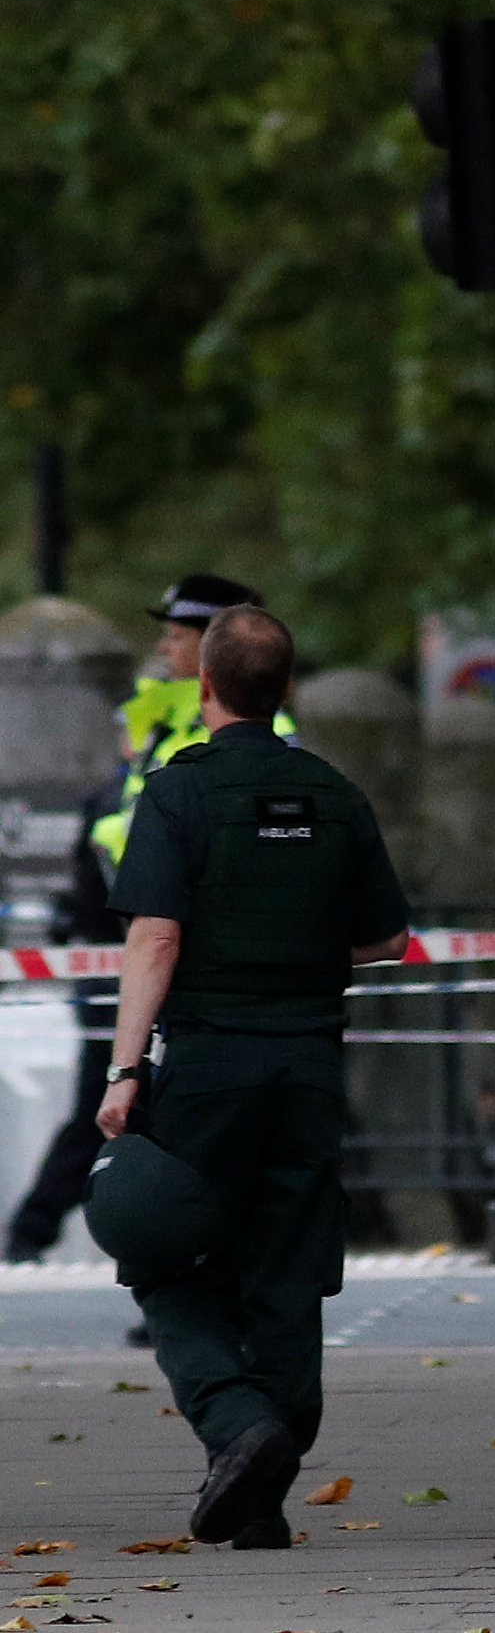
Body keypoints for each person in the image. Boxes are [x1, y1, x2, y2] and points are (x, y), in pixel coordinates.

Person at [94, 605, 411, 1548]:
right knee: (286, 1266)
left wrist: (121, 1069)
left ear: (206, 687)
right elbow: (388, 936)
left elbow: (155, 935)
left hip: (207, 1066)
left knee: (165, 1255)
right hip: (309, 1067)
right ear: (287, 689)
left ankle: (237, 1424)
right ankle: (265, 1490)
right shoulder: (335, 794)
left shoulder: (179, 792)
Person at [90, 575, 298, 880]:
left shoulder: (267, 728)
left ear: (212, 645)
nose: (162, 648)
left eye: (175, 636)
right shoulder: (174, 723)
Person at [6, 767, 128, 1262]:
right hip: (122, 980)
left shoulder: (120, 792)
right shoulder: (125, 796)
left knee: (98, 1118)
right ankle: (32, 1229)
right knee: (99, 1117)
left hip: (113, 978)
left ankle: (33, 1228)